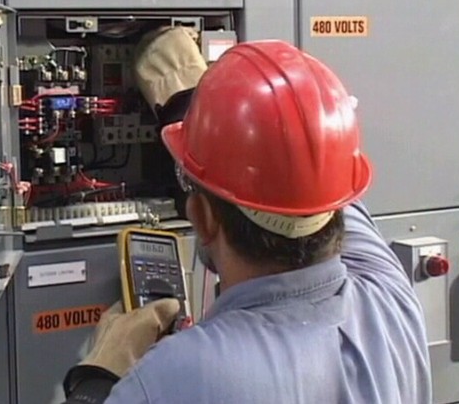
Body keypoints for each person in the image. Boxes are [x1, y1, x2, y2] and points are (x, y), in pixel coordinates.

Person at [61, 29, 432, 404]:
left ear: (203, 218)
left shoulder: (175, 375)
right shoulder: (390, 300)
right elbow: (307, 164)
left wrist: (99, 375)